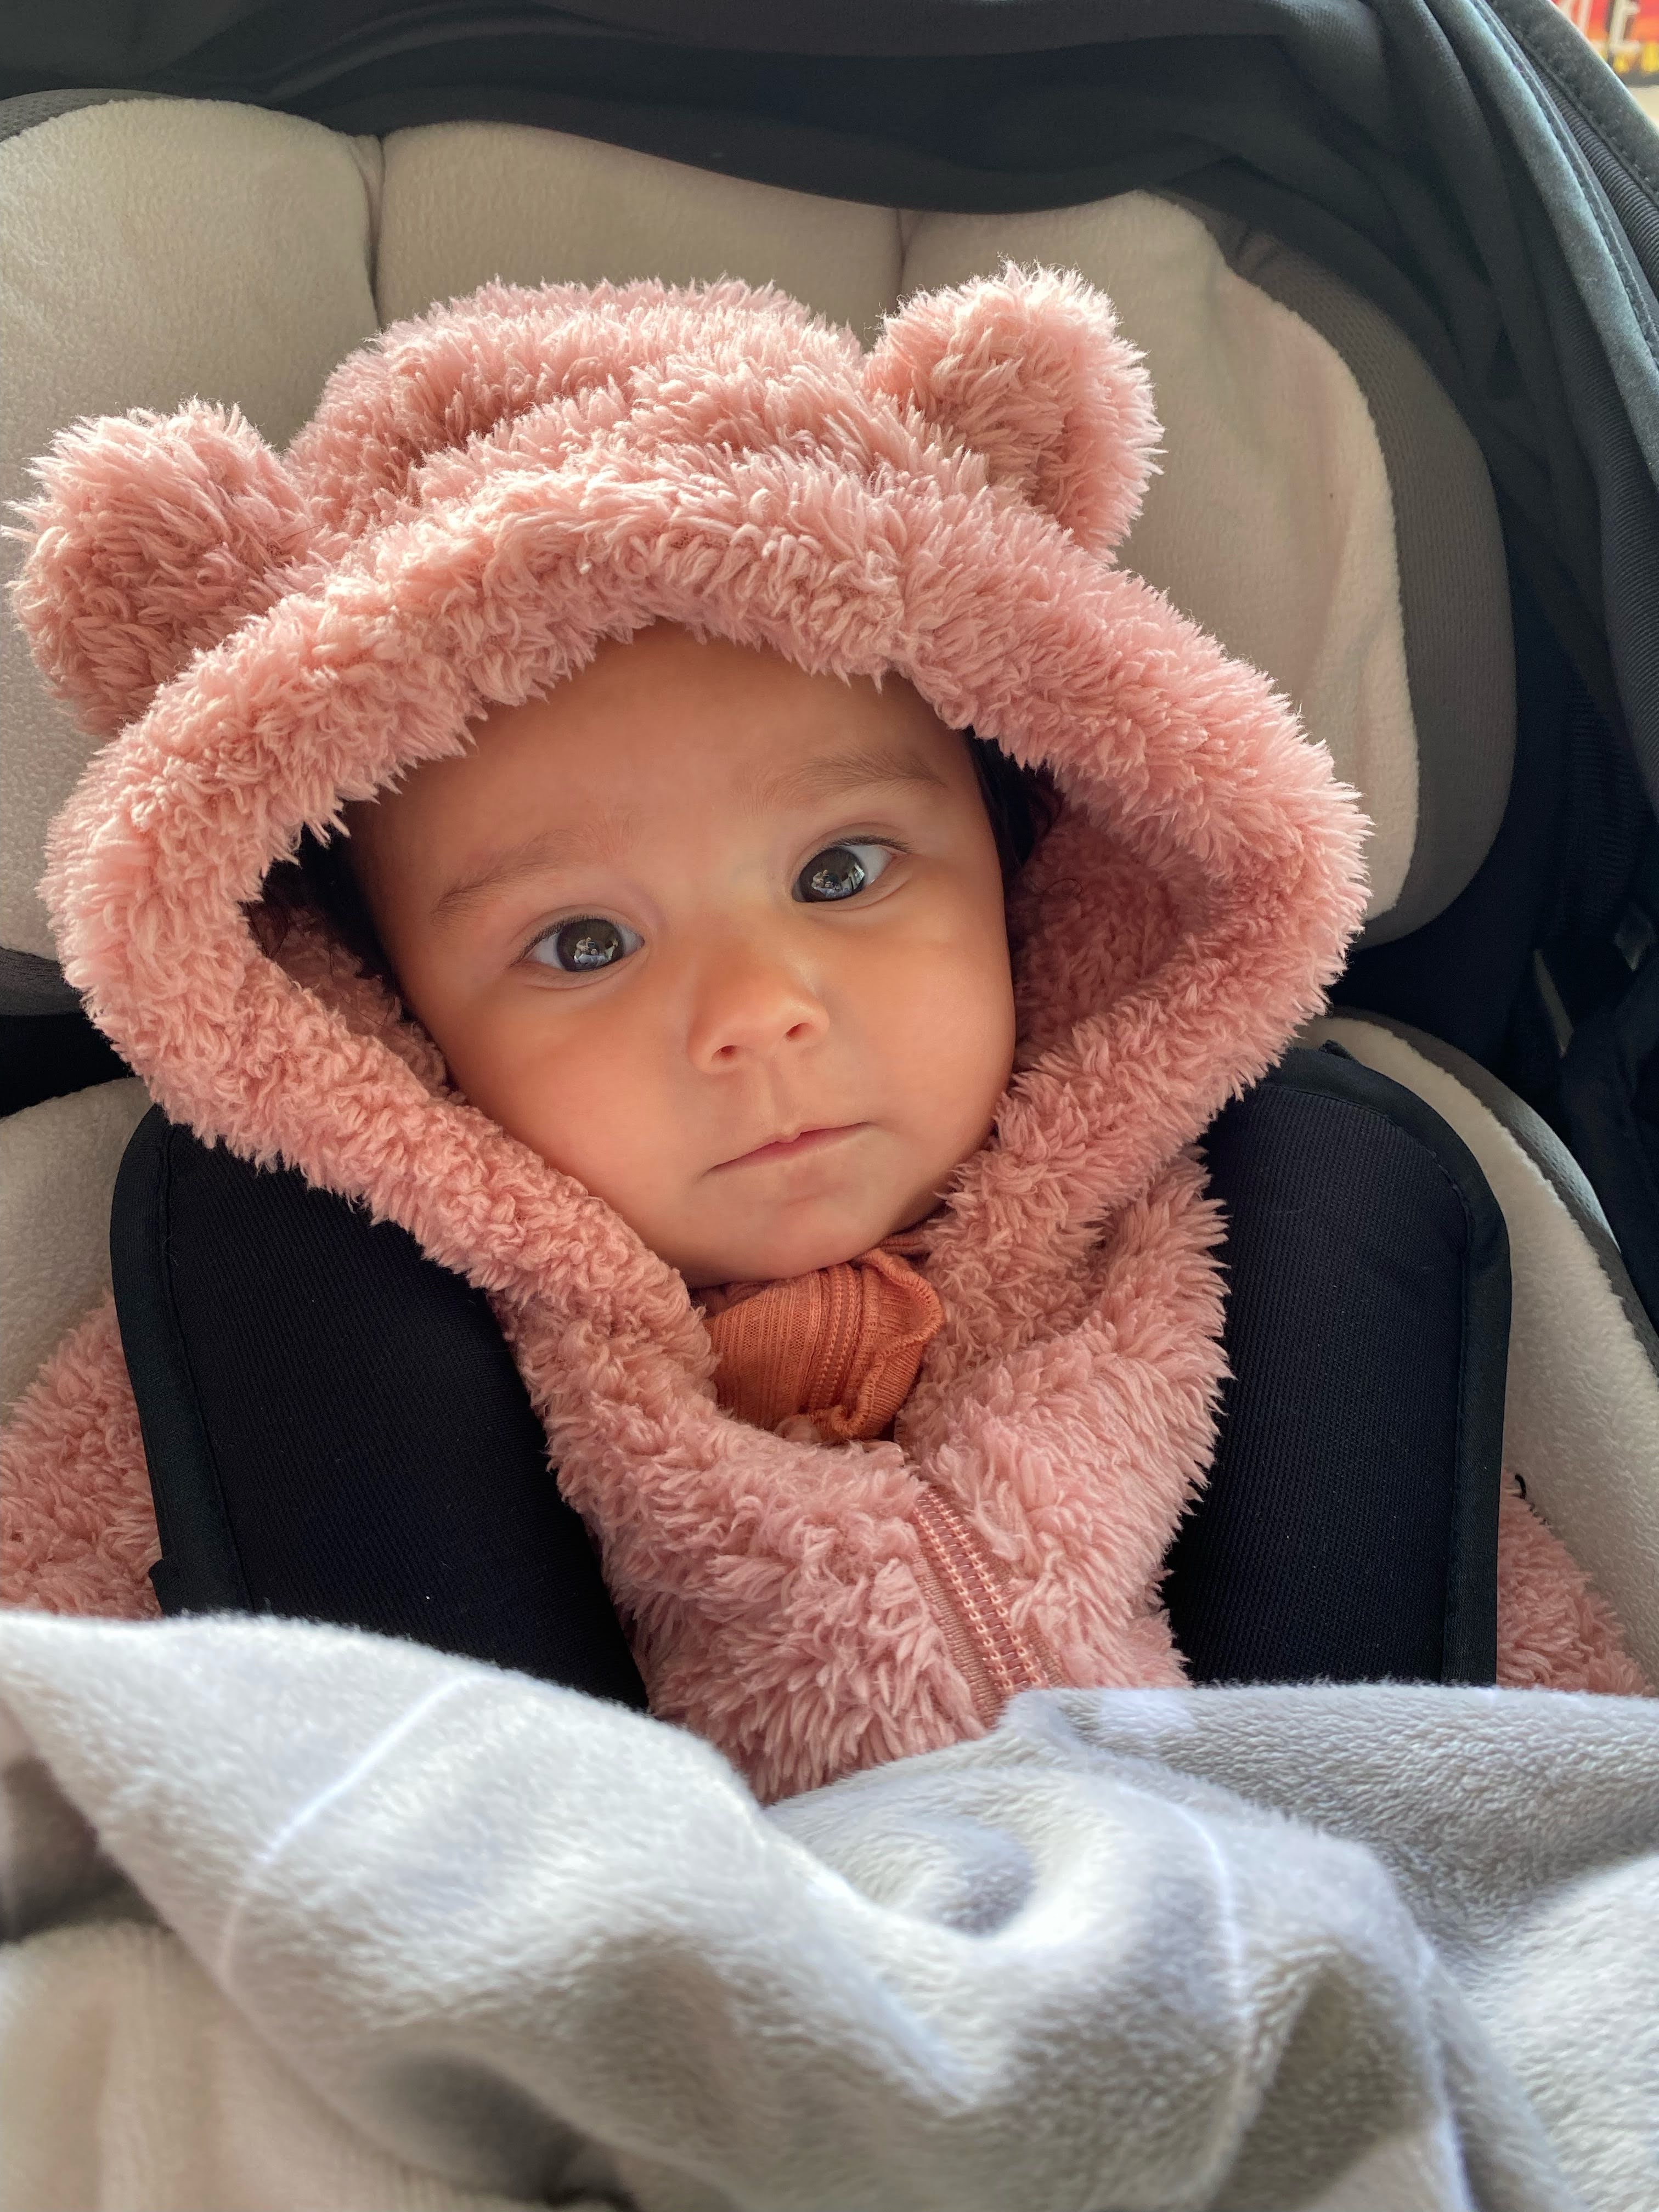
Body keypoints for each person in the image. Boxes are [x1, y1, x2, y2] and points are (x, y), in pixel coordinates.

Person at [6, 270, 1641, 1802]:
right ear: (391, 1025)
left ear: (1020, 862)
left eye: (843, 872)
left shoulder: (1263, 1259)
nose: (758, 1012)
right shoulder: (304, 1345)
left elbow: (1561, 1770)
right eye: (582, 944)